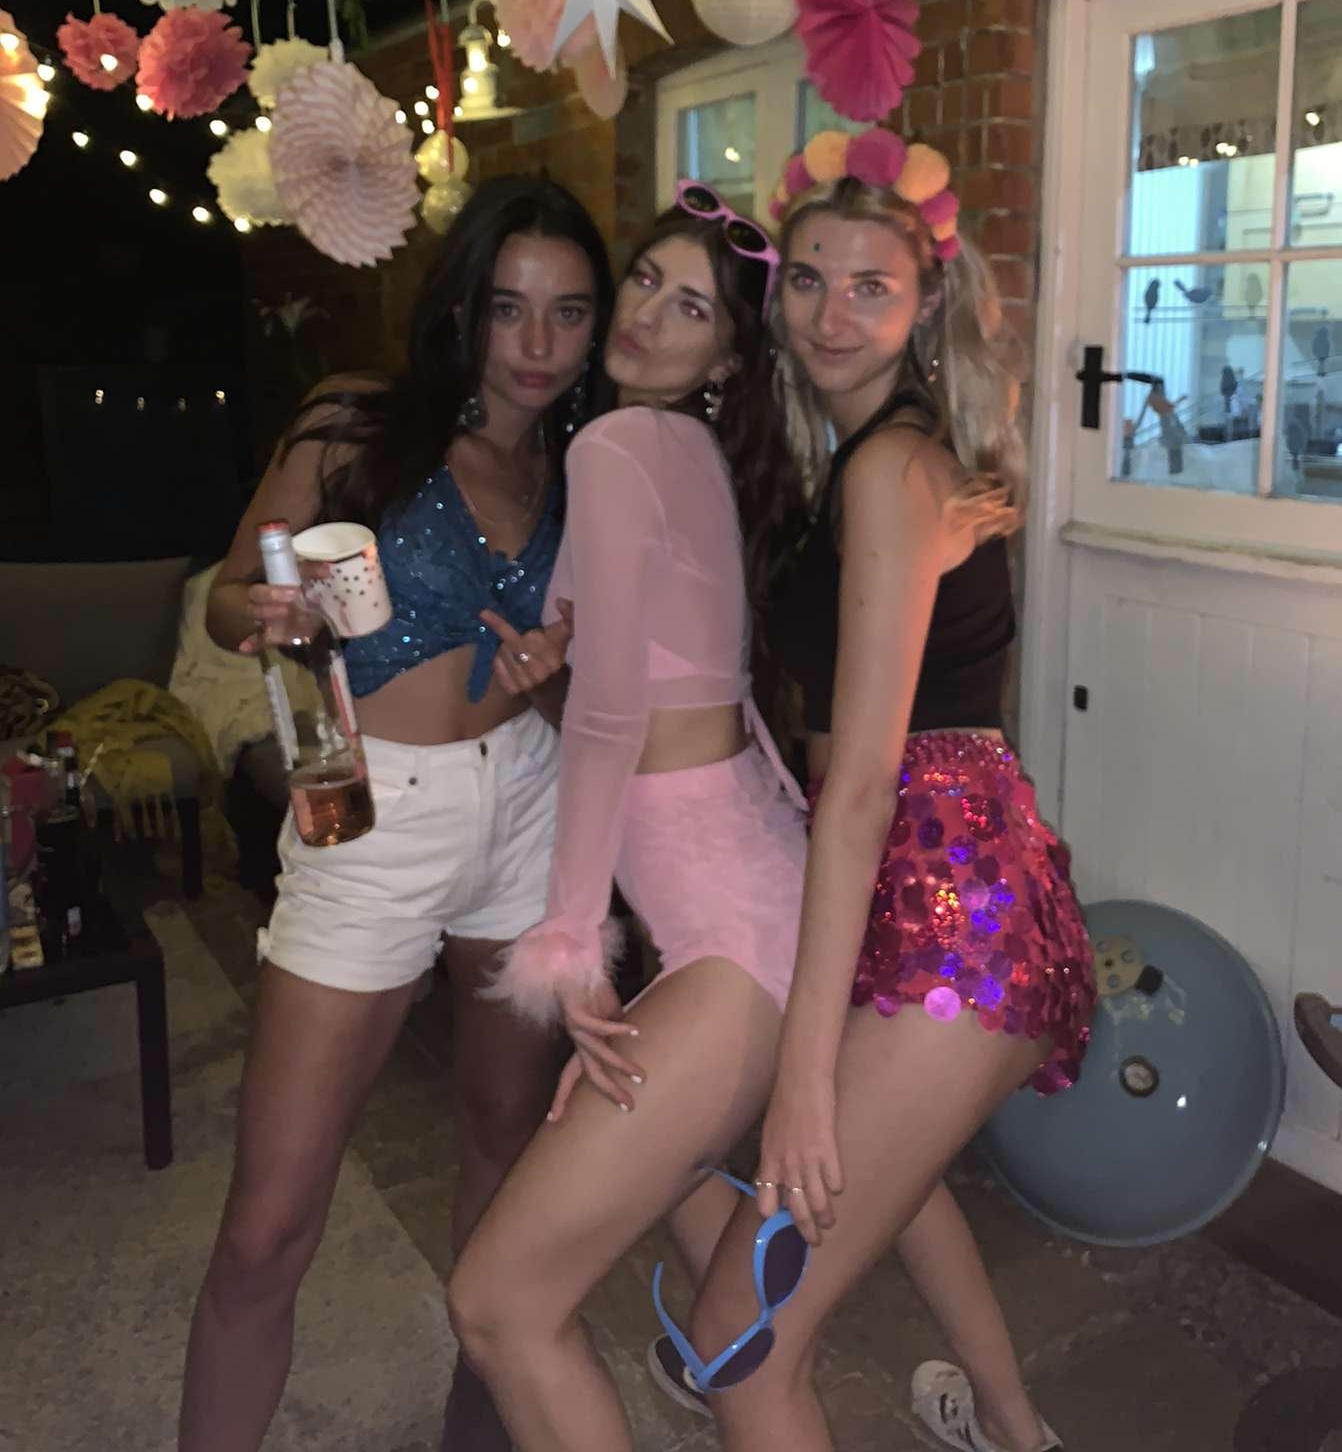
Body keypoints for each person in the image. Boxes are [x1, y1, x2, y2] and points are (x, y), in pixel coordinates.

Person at [178, 175, 613, 1452]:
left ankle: (479, 1420)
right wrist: (264, 616)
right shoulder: (356, 423)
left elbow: (592, 692)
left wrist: (559, 677)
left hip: (526, 799)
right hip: (370, 813)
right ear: (462, 306)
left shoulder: (585, 467)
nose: (536, 344)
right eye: (509, 307)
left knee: (502, 1136)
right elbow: (227, 594)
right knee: (269, 1223)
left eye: (568, 312)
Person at [686, 130, 1096, 1452]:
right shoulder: (888, 457)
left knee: (738, 1340)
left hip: (945, 906)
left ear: (924, 308)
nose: (830, 313)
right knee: (899, 1187)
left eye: (871, 285)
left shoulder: (884, 468)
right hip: (954, 881)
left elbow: (862, 783)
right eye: (808, 279)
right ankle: (1018, 1427)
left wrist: (801, 1079)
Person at [442, 185, 811, 1451]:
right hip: (754, 907)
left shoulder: (612, 445)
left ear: (729, 357)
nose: (647, 315)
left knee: (498, 1305)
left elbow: (610, 719)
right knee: (732, 1327)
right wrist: (561, 654)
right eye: (646, 280)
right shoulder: (693, 454)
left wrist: (569, 946)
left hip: (729, 940)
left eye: (692, 307)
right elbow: (664, 680)